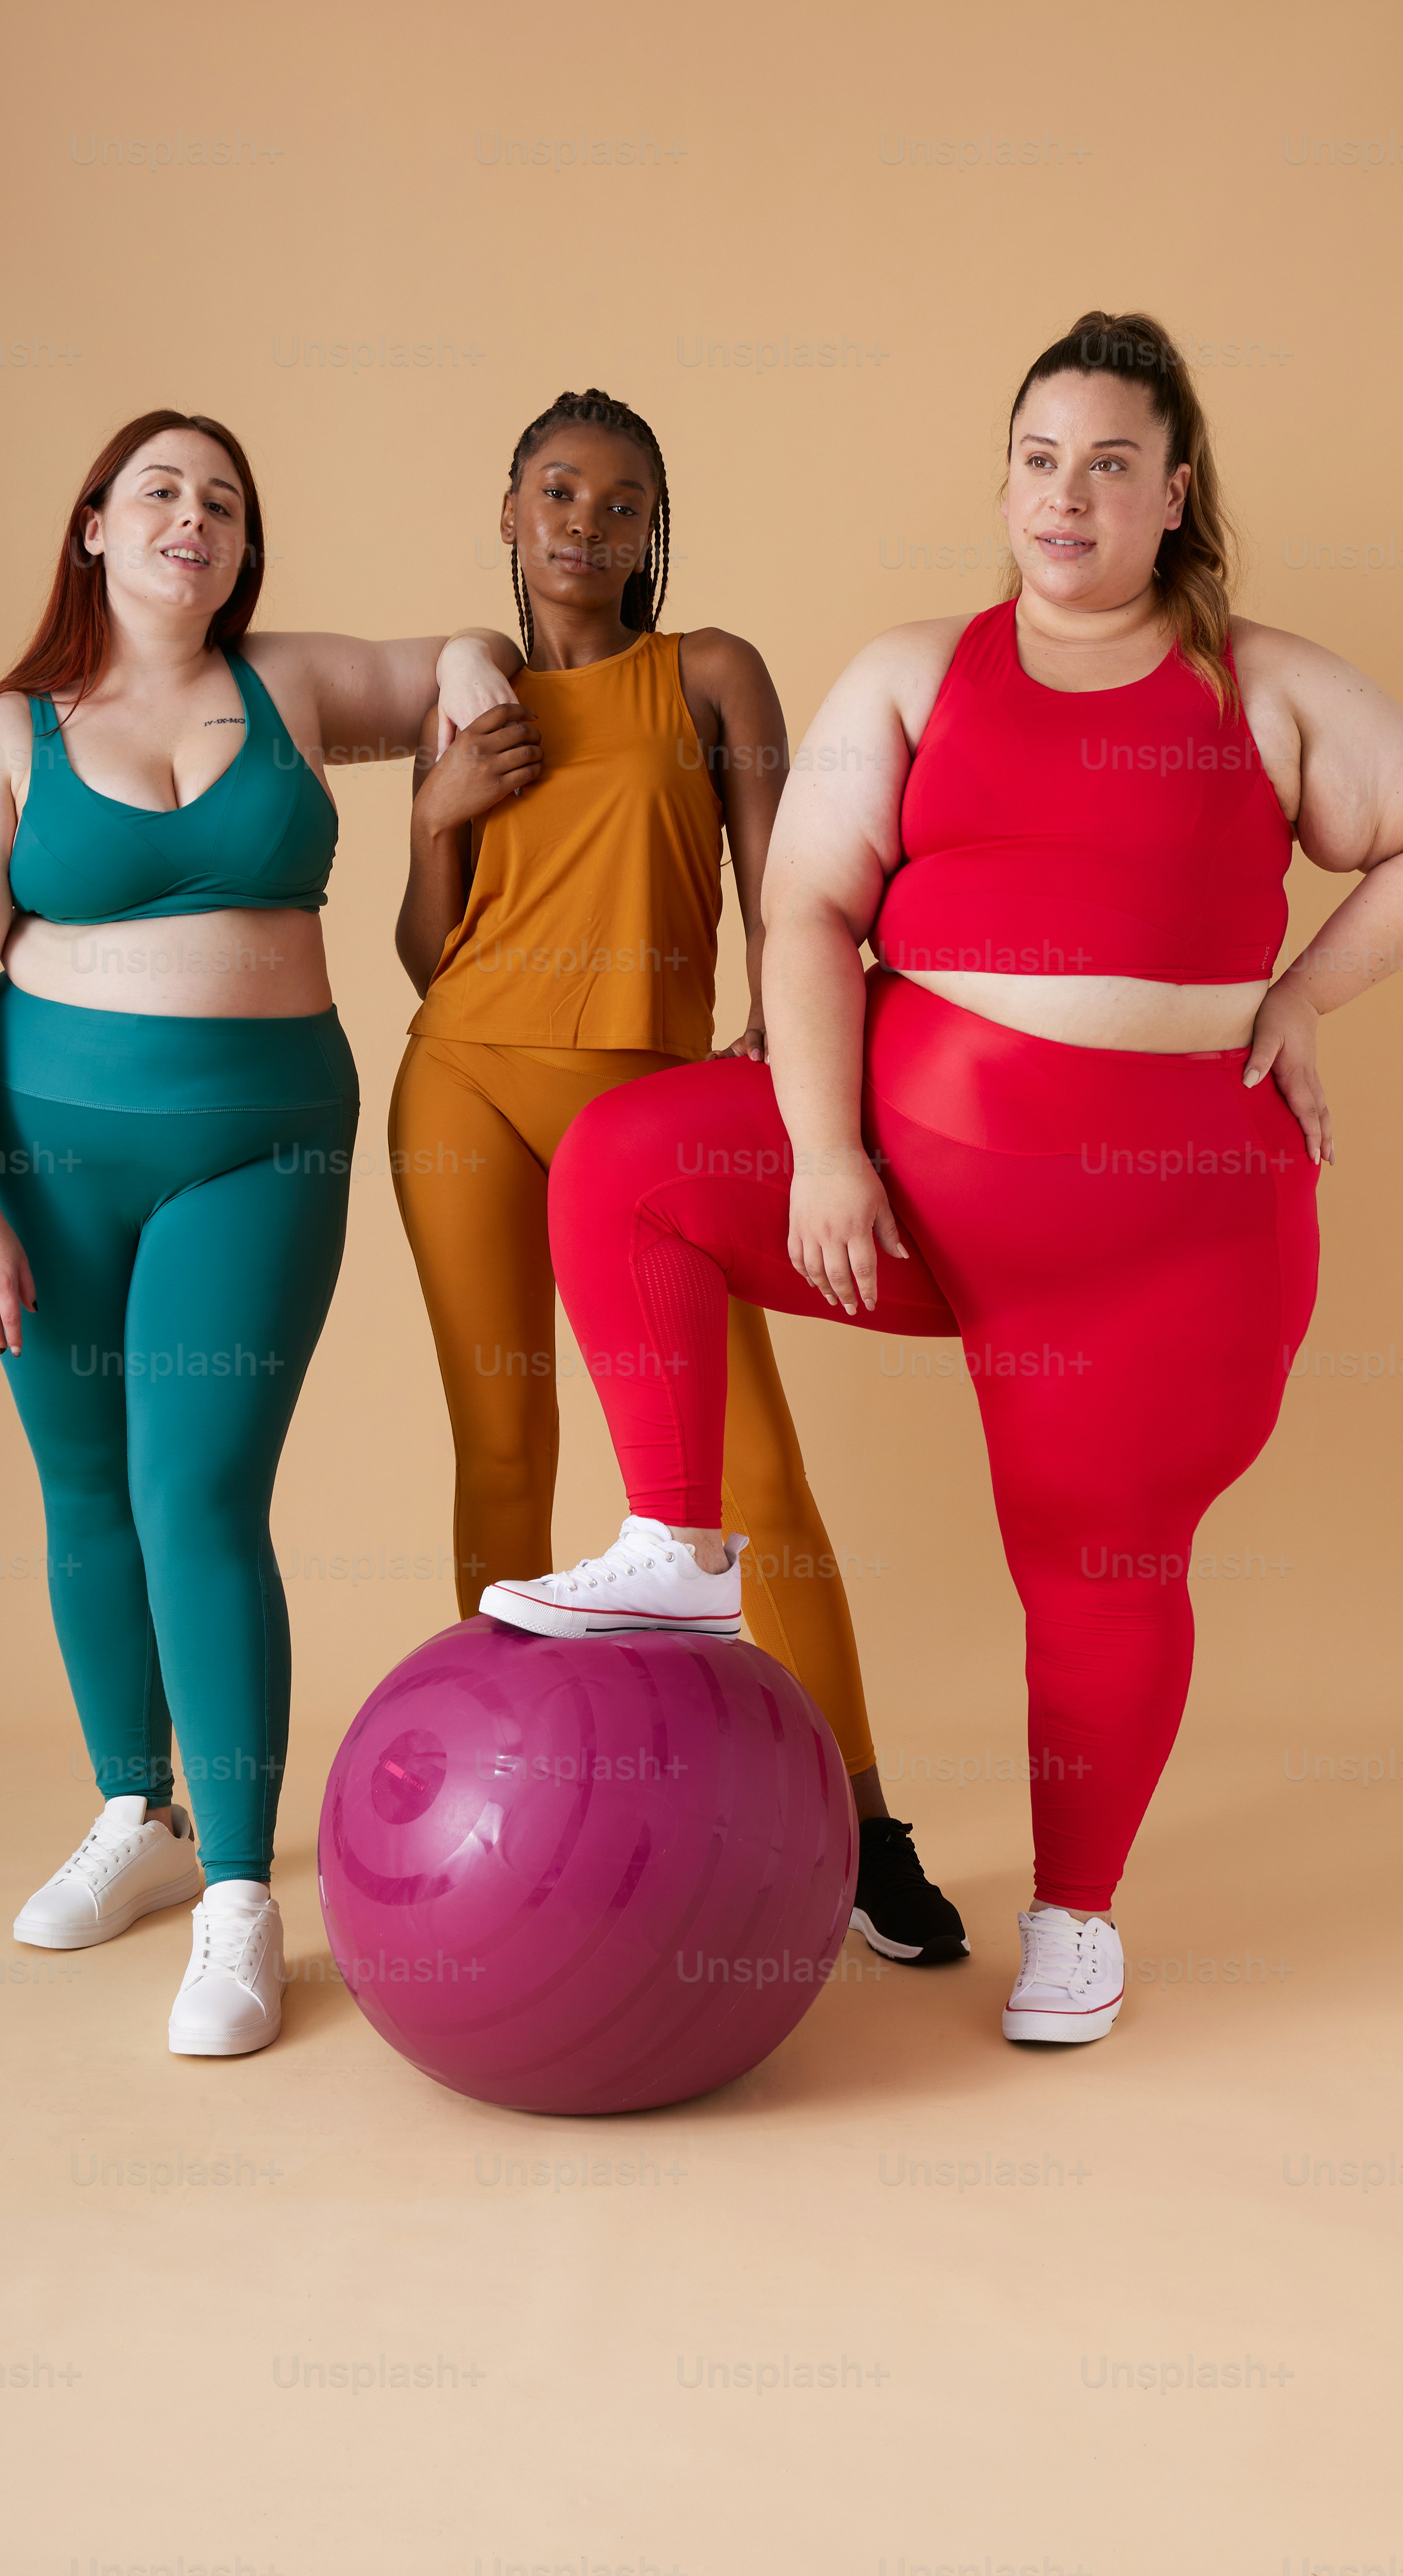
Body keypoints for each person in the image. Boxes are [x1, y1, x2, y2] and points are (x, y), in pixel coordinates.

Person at [484, 313, 1403, 2046]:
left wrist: (1303, 995)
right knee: (625, 1163)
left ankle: (1079, 1919)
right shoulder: (911, 671)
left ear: (1175, 495)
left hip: (1157, 1239)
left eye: (1112, 464)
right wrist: (820, 1150)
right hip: (898, 1175)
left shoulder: (1265, 682)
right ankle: (678, 1539)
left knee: (1098, 1569)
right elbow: (807, 908)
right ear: (1008, 482)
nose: (1069, 496)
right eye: (1041, 459)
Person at [0, 408, 524, 2057]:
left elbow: (461, 642)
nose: (196, 518)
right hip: (46, 1165)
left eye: (227, 502)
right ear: (96, 524)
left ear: (245, 548)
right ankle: (142, 1819)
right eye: (163, 492)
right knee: (89, 1488)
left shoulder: (293, 687)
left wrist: (469, 688)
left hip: (259, 1152)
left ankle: (244, 1900)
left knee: (197, 1490)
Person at [391, 386, 964, 1963]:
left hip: (647, 1117)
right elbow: (423, 950)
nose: (587, 522)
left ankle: (865, 1829)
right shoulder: (471, 694)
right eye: (558, 492)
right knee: (503, 1449)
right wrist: (437, 816)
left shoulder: (707, 677)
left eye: (624, 501)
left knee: (754, 1482)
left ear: (657, 533)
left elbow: (797, 905)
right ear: (509, 513)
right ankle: (482, 1820)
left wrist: (788, 1084)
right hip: (461, 1088)